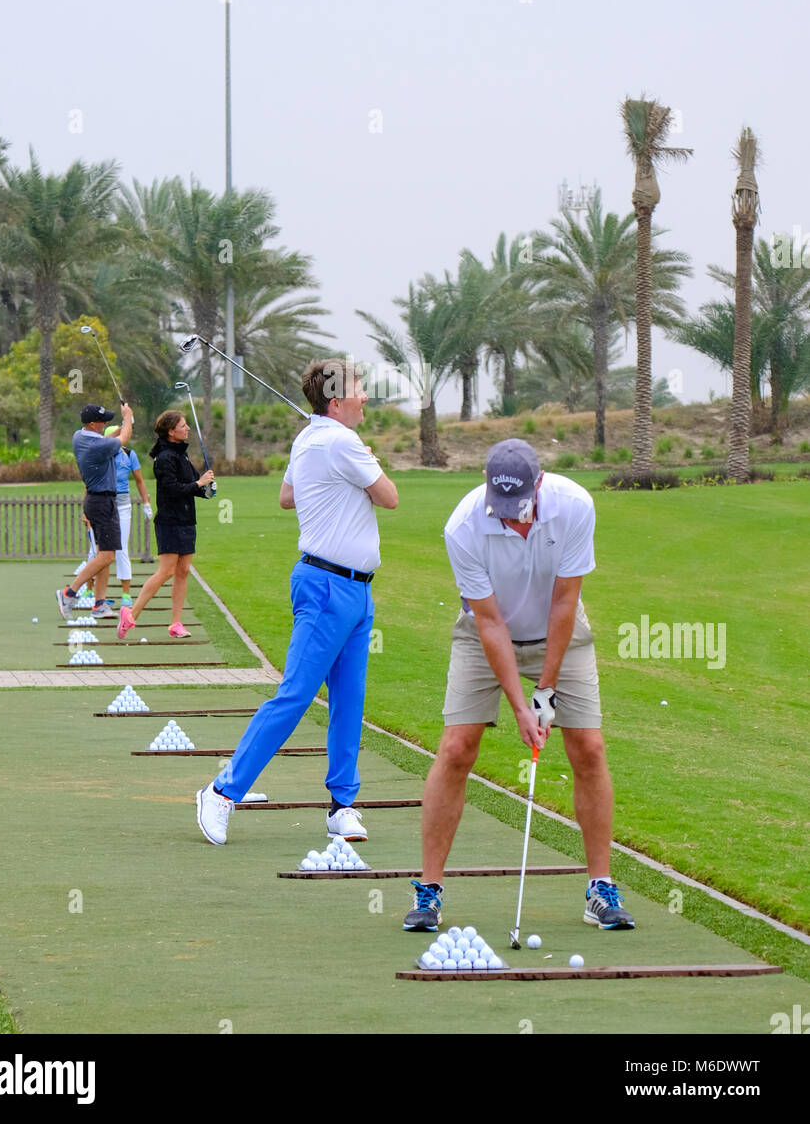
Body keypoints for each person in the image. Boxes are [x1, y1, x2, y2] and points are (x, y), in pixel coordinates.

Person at [403, 438, 636, 933]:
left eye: (520, 506)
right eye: (502, 508)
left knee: (589, 748)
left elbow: (564, 602)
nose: (511, 518)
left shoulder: (574, 506)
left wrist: (546, 691)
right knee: (457, 747)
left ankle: (600, 887)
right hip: (485, 635)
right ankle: (429, 891)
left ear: (540, 483)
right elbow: (488, 622)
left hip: (561, 632)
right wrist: (520, 707)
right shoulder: (463, 526)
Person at [195, 358, 398, 848]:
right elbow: (389, 496)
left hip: (355, 589)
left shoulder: (311, 439)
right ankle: (222, 791)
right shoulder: (337, 441)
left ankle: (342, 806)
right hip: (327, 587)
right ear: (335, 399)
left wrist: (349, 465)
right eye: (358, 388)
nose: (365, 396)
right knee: (296, 694)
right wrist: (363, 462)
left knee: (349, 701)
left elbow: (287, 497)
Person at [117, 410, 215, 640]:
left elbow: (191, 485)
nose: (188, 428)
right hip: (170, 522)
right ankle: (131, 614)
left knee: (182, 571)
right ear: (171, 431)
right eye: (183, 425)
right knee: (167, 571)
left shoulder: (182, 455)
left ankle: (176, 623)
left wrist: (206, 490)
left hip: (187, 520)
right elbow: (173, 489)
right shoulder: (164, 458)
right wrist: (198, 483)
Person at [56, 403, 135, 622]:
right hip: (102, 501)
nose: (106, 424)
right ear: (93, 424)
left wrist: (124, 425)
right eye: (103, 421)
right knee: (108, 555)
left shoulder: (80, 436)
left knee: (104, 554)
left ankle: (99, 605)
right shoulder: (96, 446)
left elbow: (112, 438)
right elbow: (123, 439)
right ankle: (69, 593)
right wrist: (128, 419)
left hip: (98, 500)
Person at [84, 424, 153, 607]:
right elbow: (89, 484)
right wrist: (86, 512)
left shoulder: (130, 455)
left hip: (122, 505)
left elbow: (139, 480)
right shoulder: (101, 457)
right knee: (96, 551)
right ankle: (90, 591)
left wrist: (146, 502)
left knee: (121, 548)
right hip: (101, 504)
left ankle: (126, 595)